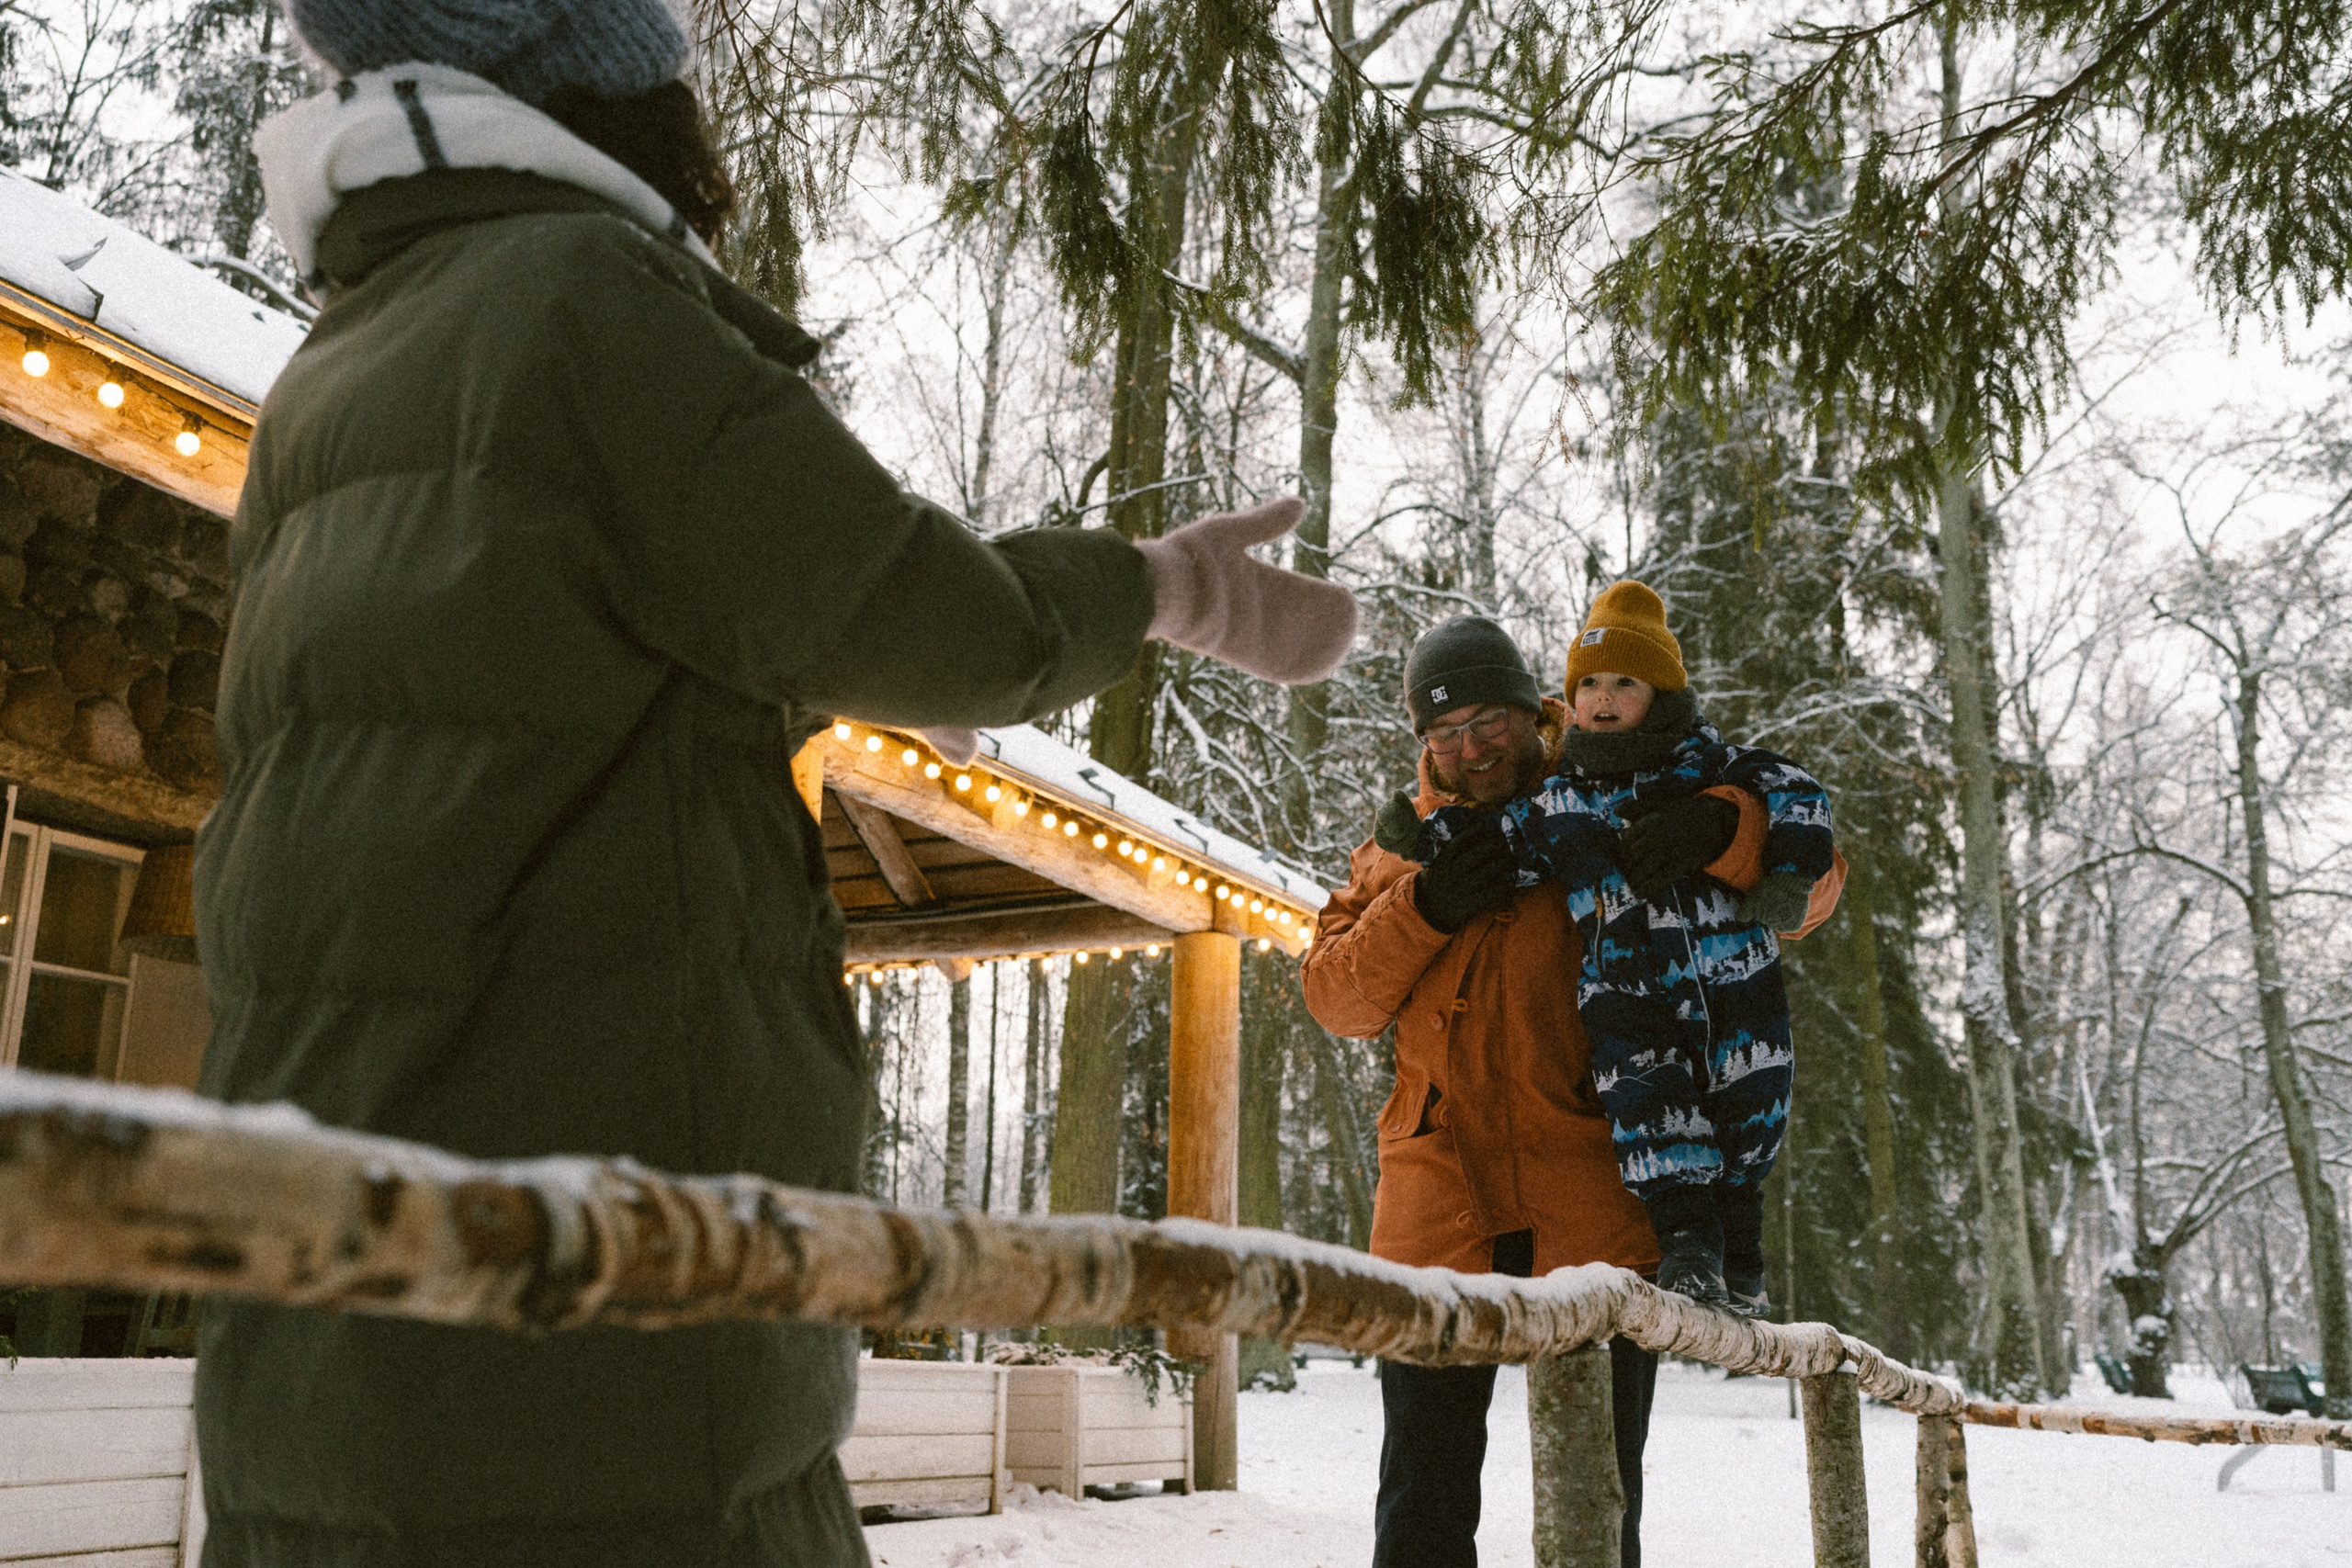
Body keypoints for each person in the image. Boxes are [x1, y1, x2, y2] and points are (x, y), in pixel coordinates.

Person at [191, 6, 1355, 1565]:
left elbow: (496, 705)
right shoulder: (586, 300)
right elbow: (922, 613)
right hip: (608, 1331)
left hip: (319, 1337)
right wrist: (1164, 585)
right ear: (606, 83)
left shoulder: (334, 369)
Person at [1301, 613, 1841, 1568]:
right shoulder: (1398, 849)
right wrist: (1425, 906)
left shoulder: (1607, 789)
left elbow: (1815, 889)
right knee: (1422, 1492)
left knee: (1597, 1488)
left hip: (1593, 1199)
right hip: (1438, 1207)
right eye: (1445, 733)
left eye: (1489, 722)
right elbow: (1334, 998)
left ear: (1533, 711)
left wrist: (1726, 829)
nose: (1472, 749)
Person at [1399, 581, 1838, 1312]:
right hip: (1626, 995)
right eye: (1590, 684)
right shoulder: (1562, 799)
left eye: (1625, 683)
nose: (1603, 698)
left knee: (1749, 1107)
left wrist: (1749, 842)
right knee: (1654, 1114)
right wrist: (1426, 848)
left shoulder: (1718, 771)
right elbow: (1502, 841)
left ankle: (1743, 1265)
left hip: (1733, 981)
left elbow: (1803, 800)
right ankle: (1690, 1251)